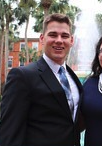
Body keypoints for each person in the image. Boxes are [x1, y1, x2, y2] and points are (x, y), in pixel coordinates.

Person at [0, 13, 83, 146]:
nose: (59, 40)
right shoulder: (22, 76)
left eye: (65, 36)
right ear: (42, 38)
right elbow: (10, 131)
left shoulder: (72, 77)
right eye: (53, 35)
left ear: (71, 40)